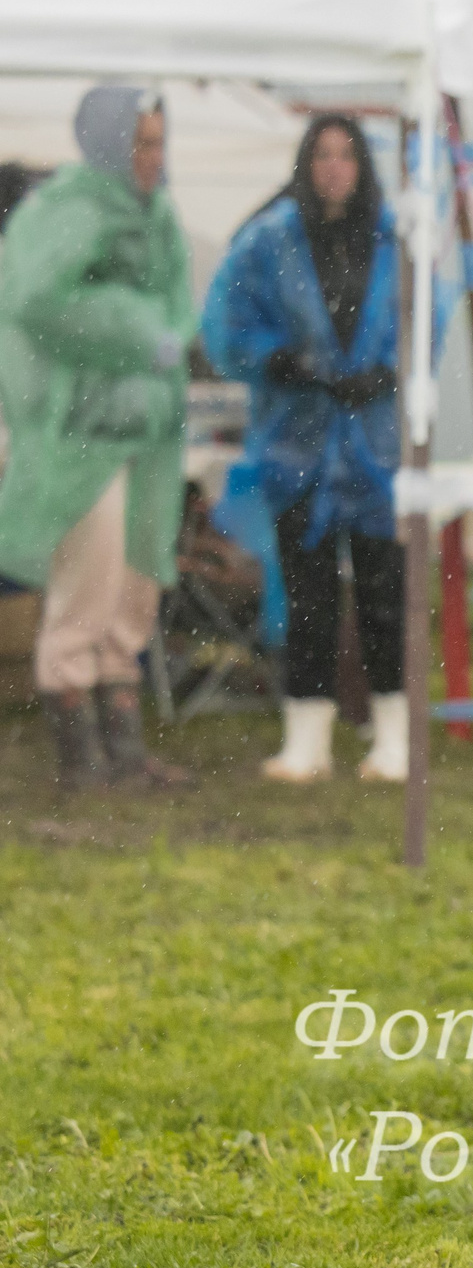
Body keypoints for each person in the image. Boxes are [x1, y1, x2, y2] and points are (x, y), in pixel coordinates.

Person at [201, 115, 409, 783]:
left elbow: (425, 316)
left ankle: (394, 737)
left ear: (363, 165)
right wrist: (279, 360)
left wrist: (390, 370)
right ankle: (307, 740)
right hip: (298, 448)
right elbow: (226, 322)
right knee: (308, 594)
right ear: (304, 161)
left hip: (374, 450)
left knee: (383, 591)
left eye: (347, 154)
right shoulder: (271, 241)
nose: (334, 167)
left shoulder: (392, 240)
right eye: (322, 154)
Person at [0, 86, 195, 790]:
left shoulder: (158, 216)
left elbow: (178, 305)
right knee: (90, 580)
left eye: (158, 142)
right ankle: (80, 761)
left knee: (137, 586)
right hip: (81, 432)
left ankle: (125, 753)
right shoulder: (66, 211)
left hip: (149, 428)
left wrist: (165, 335)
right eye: (140, 142)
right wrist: (133, 325)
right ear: (109, 139)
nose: (151, 157)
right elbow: (35, 299)